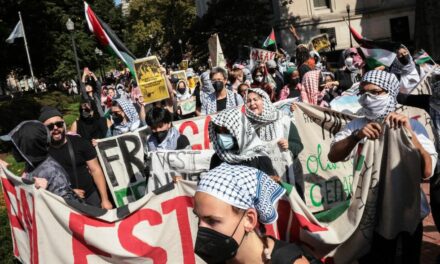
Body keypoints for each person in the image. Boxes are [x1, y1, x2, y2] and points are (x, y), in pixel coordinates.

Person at [327, 70, 437, 264]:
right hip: (371, 214)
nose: (368, 98)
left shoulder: (412, 123)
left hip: (408, 213)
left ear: (390, 93)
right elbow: (333, 155)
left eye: (375, 92)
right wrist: (356, 137)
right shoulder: (358, 125)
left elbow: (427, 171)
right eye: (363, 93)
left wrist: (411, 137)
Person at [193, 163, 310, 264]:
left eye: (212, 221)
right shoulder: (220, 258)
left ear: (249, 220)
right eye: (198, 218)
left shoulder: (288, 261)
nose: (201, 229)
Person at [38, 106, 113, 209]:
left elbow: (95, 170)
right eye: (50, 126)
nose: (55, 128)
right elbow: (40, 182)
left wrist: (105, 199)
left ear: (63, 124)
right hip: (62, 203)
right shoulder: (41, 152)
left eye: (58, 124)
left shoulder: (80, 143)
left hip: (90, 197)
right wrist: (67, 193)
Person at [245, 88, 305, 198]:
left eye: (255, 99)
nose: (252, 103)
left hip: (289, 174)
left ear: (265, 101)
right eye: (248, 101)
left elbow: (299, 146)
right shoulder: (248, 128)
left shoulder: (283, 120)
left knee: (294, 210)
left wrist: (289, 145)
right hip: (265, 179)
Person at [0, 120, 77, 200]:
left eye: (15, 146)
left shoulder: (54, 173)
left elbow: (65, 208)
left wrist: (43, 193)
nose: (13, 150)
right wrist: (6, 172)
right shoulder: (31, 164)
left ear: (29, 147)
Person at [208, 108, 277, 177]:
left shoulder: (260, 158)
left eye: (226, 131)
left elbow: (269, 185)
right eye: (218, 131)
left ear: (240, 130)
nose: (222, 136)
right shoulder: (217, 158)